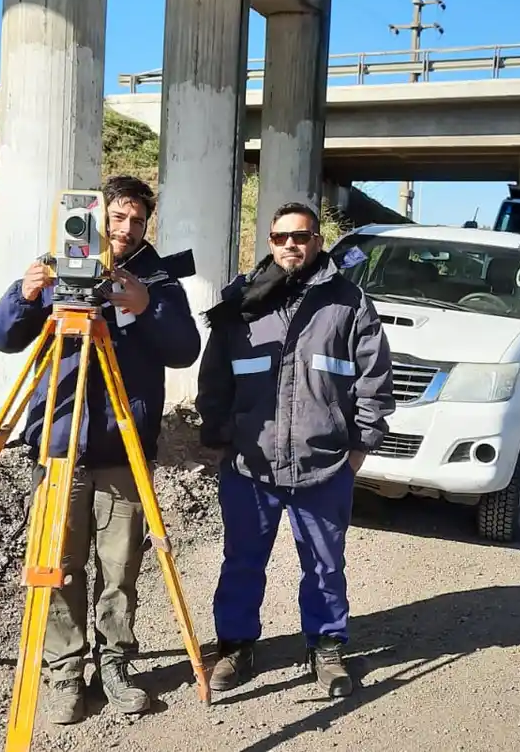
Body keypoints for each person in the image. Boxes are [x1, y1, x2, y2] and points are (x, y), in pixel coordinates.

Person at [0, 175, 201, 724]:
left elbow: (184, 349)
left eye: (137, 221)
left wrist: (147, 306)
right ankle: (64, 673)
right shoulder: (57, 265)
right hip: (61, 445)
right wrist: (25, 294)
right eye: (117, 217)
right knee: (58, 565)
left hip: (123, 451)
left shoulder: (157, 280)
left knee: (120, 568)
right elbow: (3, 336)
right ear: (98, 218)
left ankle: (115, 666)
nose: (126, 229)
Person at [194, 201, 395, 698]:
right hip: (250, 464)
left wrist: (359, 448)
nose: (291, 245)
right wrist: (219, 437)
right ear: (270, 242)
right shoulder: (242, 301)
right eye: (281, 237)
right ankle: (235, 646)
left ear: (317, 242)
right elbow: (214, 378)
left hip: (323, 465)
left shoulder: (348, 303)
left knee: (325, 566)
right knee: (241, 562)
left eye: (301, 236)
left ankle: (325, 647)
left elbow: (375, 380)